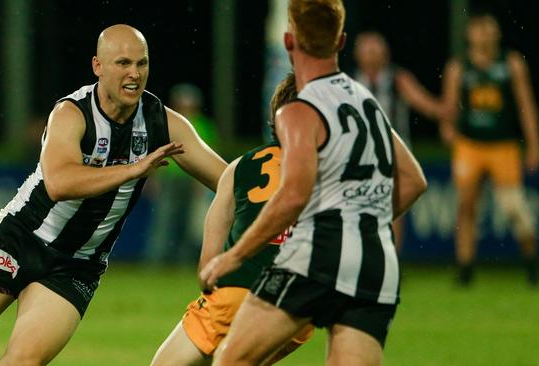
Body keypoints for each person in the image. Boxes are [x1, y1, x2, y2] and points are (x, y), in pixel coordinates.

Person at [0, 24, 227, 366]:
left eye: (142, 64)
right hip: (21, 239)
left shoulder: (162, 123)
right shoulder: (72, 113)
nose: (134, 74)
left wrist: (269, 188)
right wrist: (131, 169)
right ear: (98, 66)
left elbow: (226, 179)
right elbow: (59, 183)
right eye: (123, 63)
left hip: (77, 264)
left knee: (24, 362)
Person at [199, 1, 428, 365]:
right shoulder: (367, 102)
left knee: (232, 359)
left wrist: (234, 255)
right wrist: (362, 223)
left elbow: (292, 196)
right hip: (374, 264)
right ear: (341, 42)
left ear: (289, 42)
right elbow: (414, 181)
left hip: (316, 257)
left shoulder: (298, 109)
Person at [150, 73, 314, 366]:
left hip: (239, 294)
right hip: (301, 309)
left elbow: (207, 271)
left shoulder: (240, 168)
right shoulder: (336, 174)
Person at [439, 11, 539, 286]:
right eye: (478, 29)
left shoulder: (511, 63)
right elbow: (449, 106)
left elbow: (525, 105)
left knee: (513, 207)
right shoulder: (458, 67)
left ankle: (531, 262)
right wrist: (447, 129)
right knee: (466, 205)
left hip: (503, 145)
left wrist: (533, 144)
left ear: (497, 34)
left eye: (488, 29)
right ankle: (465, 268)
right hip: (470, 144)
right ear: (469, 34)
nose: (483, 34)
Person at [354, 30, 445, 252]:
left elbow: (425, 103)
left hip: (394, 154)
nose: (373, 54)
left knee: (393, 208)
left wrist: (449, 116)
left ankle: (391, 259)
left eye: (377, 48)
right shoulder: (350, 81)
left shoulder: (397, 79)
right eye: (368, 49)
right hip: (359, 155)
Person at [147, 83, 219, 264]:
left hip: (194, 179)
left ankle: (184, 262)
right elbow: (155, 151)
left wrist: (203, 183)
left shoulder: (204, 125)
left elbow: (210, 154)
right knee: (164, 221)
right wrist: (153, 178)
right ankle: (156, 261)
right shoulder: (168, 121)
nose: (186, 106)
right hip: (169, 179)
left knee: (190, 225)